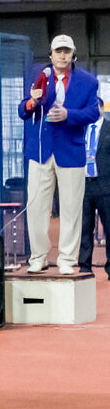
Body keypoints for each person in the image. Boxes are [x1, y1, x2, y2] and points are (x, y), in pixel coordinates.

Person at [19, 34, 102, 275]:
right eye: (58, 51)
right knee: (35, 207)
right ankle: (38, 257)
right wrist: (31, 104)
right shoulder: (37, 76)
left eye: (66, 51)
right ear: (51, 55)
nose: (62, 55)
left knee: (71, 208)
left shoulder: (88, 81)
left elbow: (92, 113)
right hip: (40, 152)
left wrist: (69, 116)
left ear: (73, 54)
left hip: (71, 152)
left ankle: (67, 259)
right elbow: (22, 110)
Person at [78, 98, 110, 278]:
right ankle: (84, 265)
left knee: (109, 228)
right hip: (84, 185)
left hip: (106, 186)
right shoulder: (80, 130)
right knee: (84, 227)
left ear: (100, 108)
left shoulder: (108, 128)